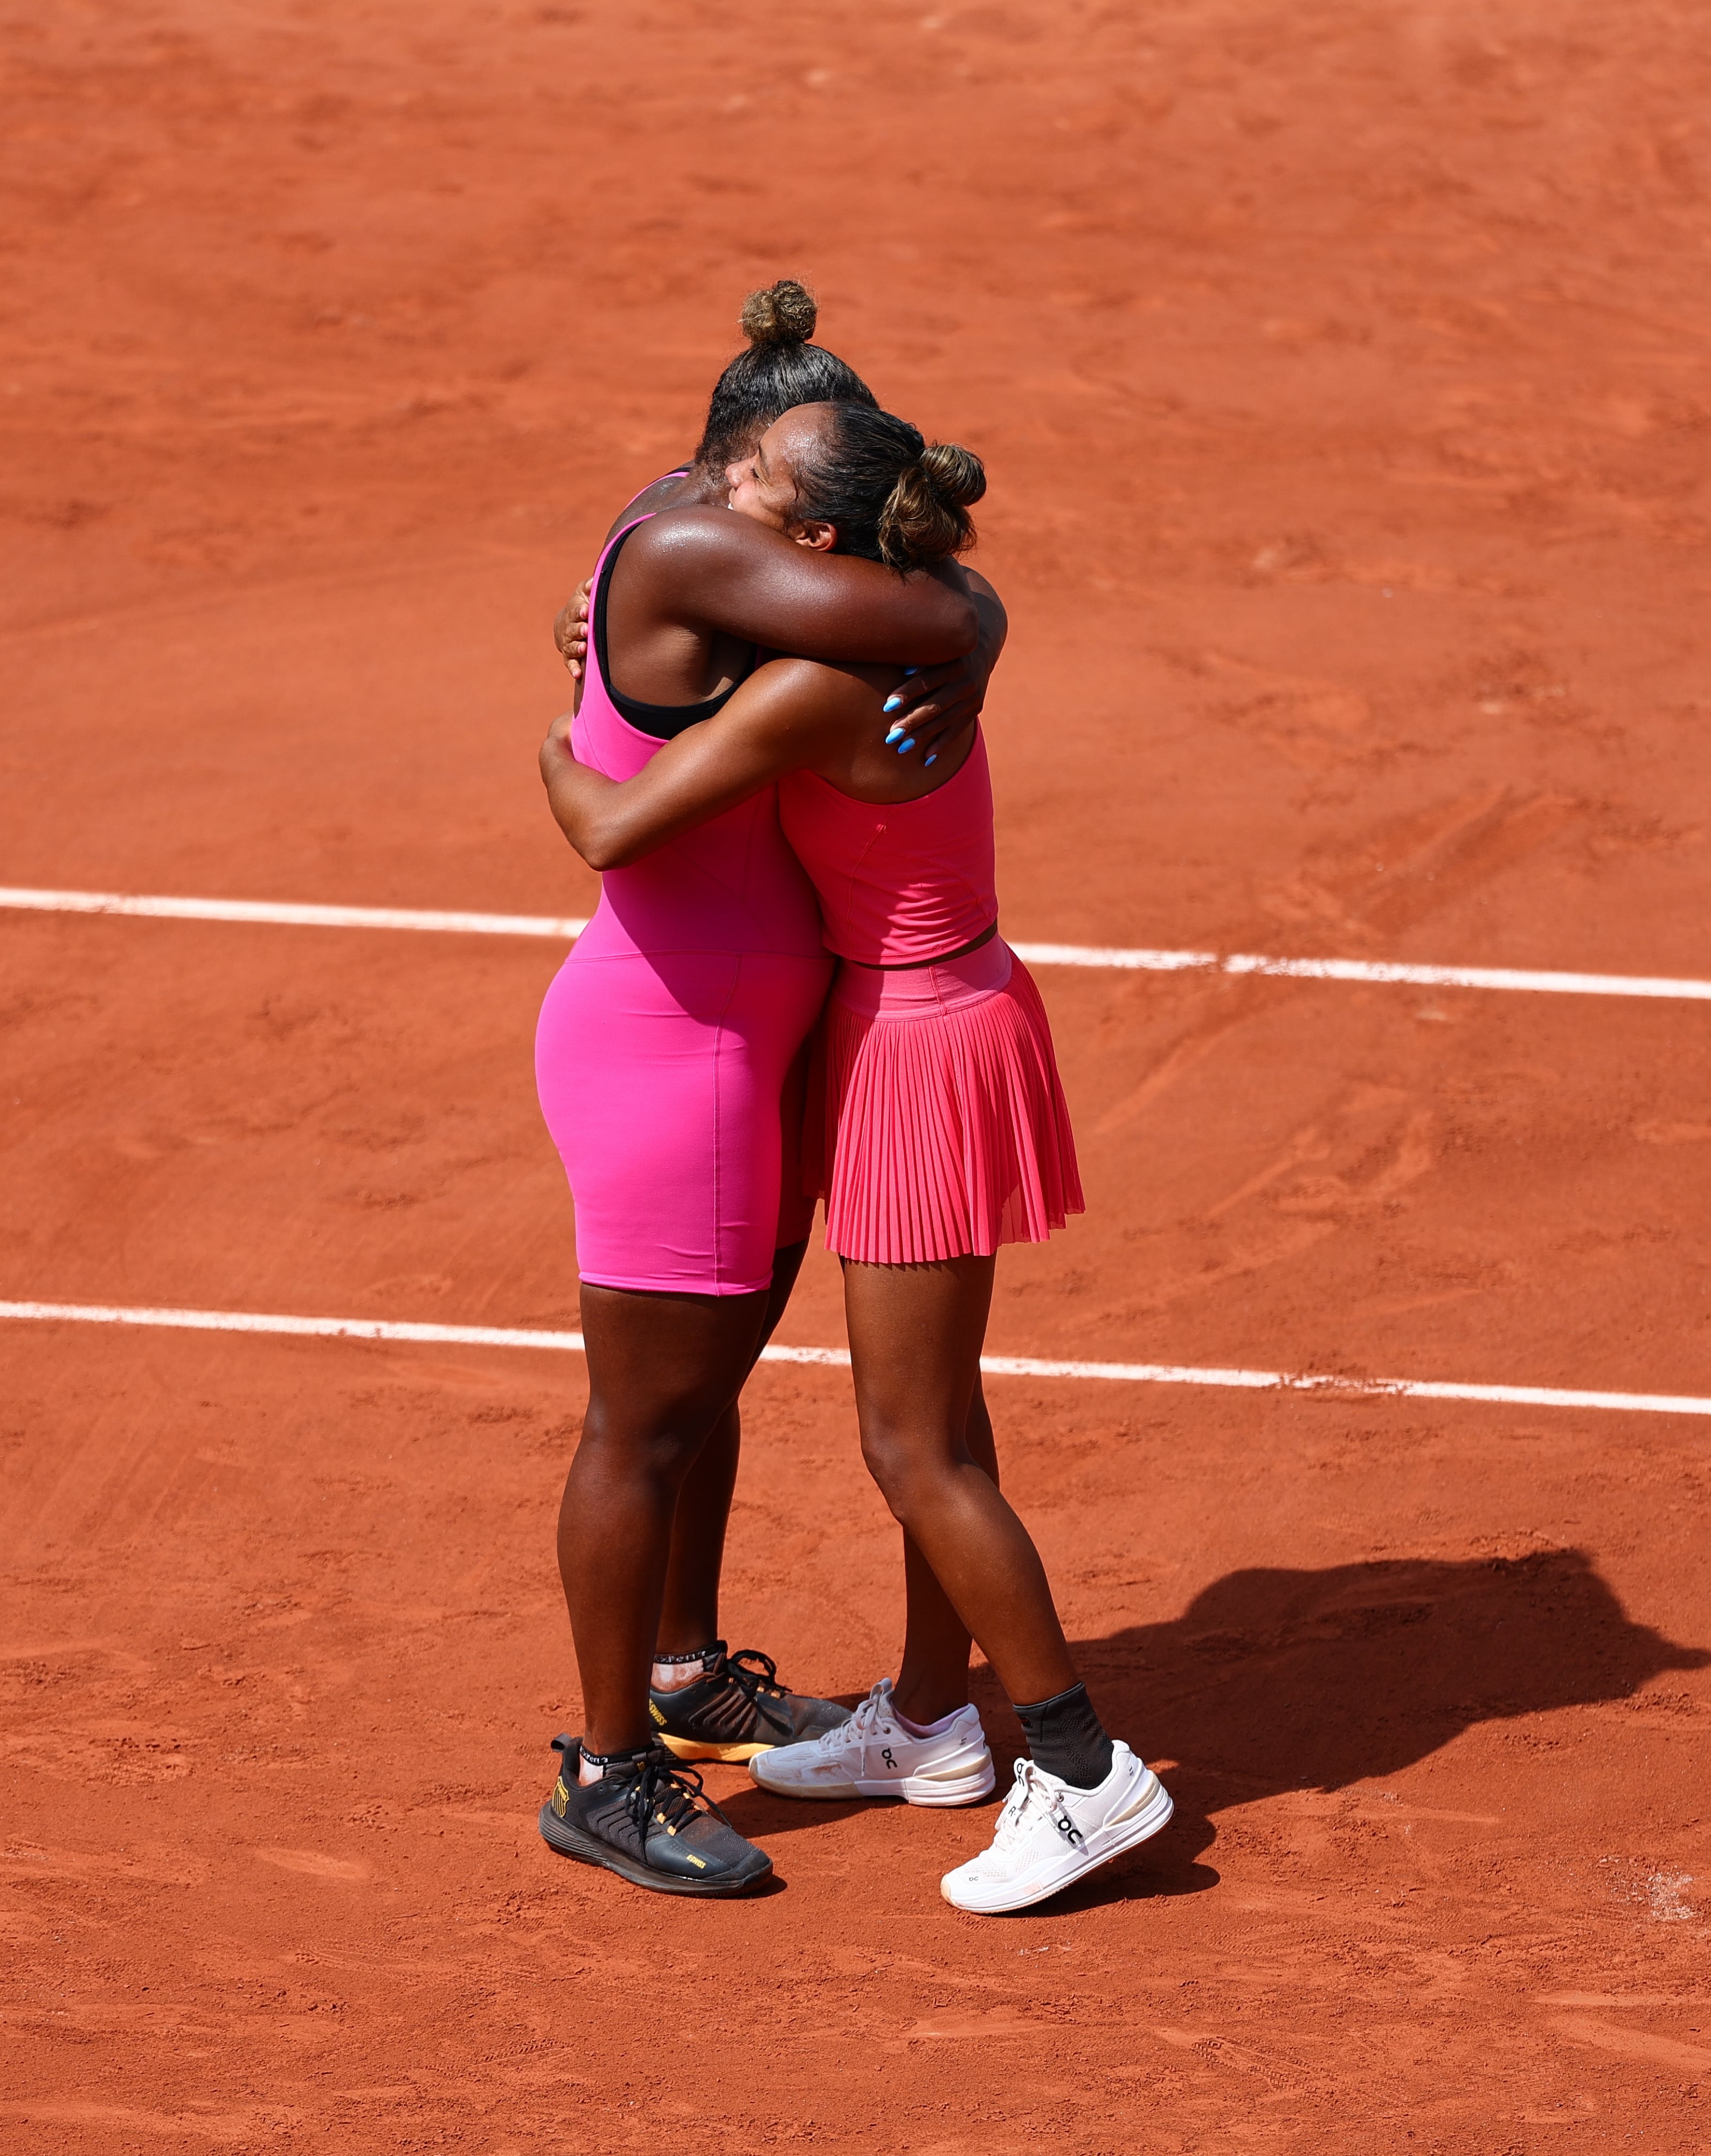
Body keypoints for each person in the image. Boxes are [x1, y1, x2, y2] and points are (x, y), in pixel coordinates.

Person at [540, 400, 1170, 1916]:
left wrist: (555, 743)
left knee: (914, 1443)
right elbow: (929, 596)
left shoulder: (812, 692)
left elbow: (611, 824)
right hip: (932, 1016)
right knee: (938, 1417)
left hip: (907, 1048)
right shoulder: (901, 661)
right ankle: (936, 1725)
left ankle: (1084, 1773)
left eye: (748, 487)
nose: (713, 498)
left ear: (817, 550)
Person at [530, 289, 1007, 1898]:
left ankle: (682, 1675)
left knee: (694, 1402)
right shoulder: (693, 544)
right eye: (794, 500)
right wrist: (984, 628)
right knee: (643, 1423)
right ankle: (611, 1775)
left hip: (737, 1043)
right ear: (736, 464)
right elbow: (934, 616)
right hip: (683, 1053)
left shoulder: (705, 536)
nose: (809, 530)